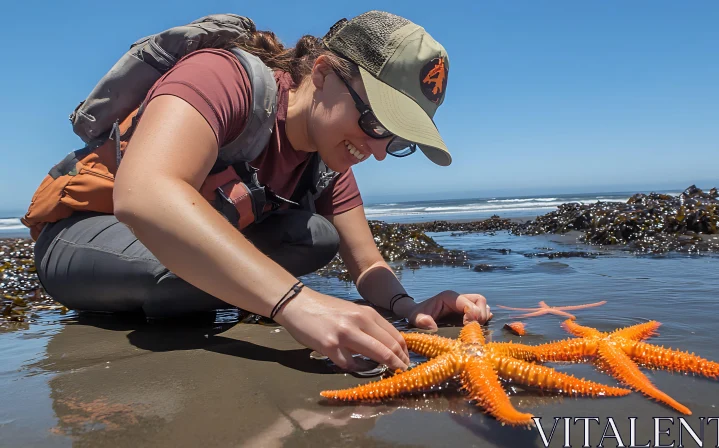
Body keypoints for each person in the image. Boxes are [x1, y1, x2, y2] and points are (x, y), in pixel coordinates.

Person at [26, 11, 492, 373]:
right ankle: (222, 295)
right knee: (173, 273)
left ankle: (220, 294)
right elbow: (144, 193)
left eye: (398, 139)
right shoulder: (223, 76)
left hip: (178, 268)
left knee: (316, 235)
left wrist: (412, 309)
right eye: (374, 122)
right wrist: (295, 303)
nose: (380, 151)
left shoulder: (328, 160)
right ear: (326, 73)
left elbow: (367, 263)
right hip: (84, 237)